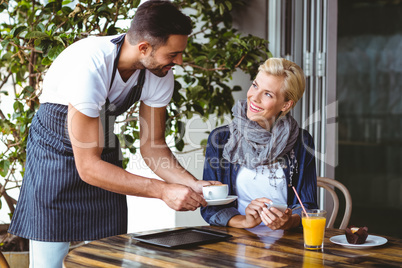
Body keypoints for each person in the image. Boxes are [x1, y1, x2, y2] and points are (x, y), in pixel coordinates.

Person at [9, 1, 218, 267]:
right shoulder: (90, 64)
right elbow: (87, 167)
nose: (179, 61)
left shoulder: (158, 71)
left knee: (106, 257)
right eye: (173, 54)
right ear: (144, 48)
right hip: (53, 156)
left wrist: (192, 184)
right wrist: (163, 191)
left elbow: (152, 145)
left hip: (100, 149)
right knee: (49, 263)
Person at [201, 58, 318, 230]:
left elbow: (307, 205)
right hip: (235, 240)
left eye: (268, 94)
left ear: (286, 104)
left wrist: (289, 221)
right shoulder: (221, 139)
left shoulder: (301, 142)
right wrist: (244, 221)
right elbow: (211, 207)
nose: (254, 98)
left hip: (286, 242)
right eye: (255, 86)